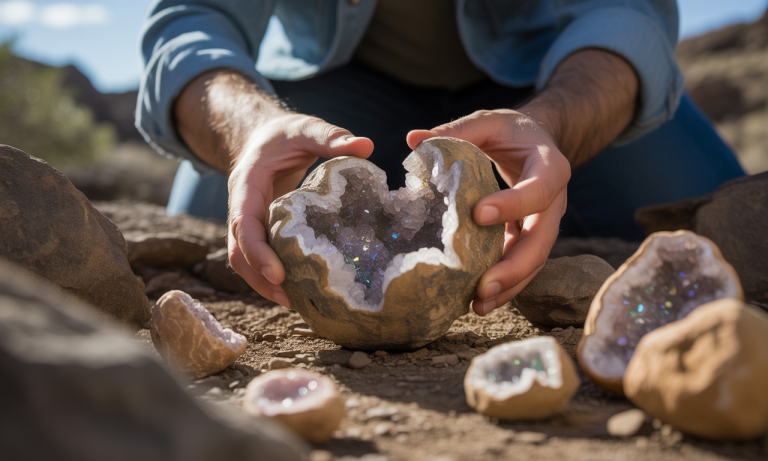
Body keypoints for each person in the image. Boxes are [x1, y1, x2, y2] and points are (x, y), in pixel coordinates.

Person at [136, 0, 744, 317]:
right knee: (208, 225)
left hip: (551, 79)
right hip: (333, 92)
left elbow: (626, 15)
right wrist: (251, 132)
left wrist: (553, 123)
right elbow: (191, 22)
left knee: (727, 228)